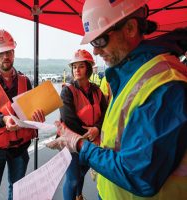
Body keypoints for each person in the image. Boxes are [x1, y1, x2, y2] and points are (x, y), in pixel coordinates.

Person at [47, 0, 187, 199]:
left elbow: (138, 175)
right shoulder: (131, 75)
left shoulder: (163, 86)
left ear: (130, 28)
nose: (95, 51)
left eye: (100, 40)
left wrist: (81, 145)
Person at [0, 29, 45, 200]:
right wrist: (4, 119)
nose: (6, 56)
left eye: (9, 51)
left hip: (19, 147)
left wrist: (38, 117)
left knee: (18, 190)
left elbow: (30, 109)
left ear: (13, 52)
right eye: (1, 53)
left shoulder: (25, 80)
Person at [60, 49, 107, 200]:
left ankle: (79, 196)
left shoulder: (97, 91)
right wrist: (90, 134)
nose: (76, 70)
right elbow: (68, 120)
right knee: (73, 178)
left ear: (88, 67)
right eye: (74, 67)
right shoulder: (67, 91)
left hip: (91, 142)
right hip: (72, 143)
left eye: (80, 66)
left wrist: (97, 128)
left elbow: (106, 113)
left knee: (81, 174)